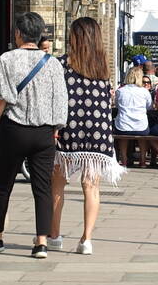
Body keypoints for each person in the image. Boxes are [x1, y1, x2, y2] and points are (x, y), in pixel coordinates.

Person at [0, 11, 68, 257]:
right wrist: (56, 128)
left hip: (14, 130)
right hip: (44, 134)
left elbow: (0, 98)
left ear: (18, 34)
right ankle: (41, 241)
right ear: (39, 35)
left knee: (3, 185)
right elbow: (61, 101)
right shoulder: (52, 63)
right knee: (42, 188)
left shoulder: (7, 59)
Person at [51, 16, 124, 254]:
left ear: (75, 37)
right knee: (91, 187)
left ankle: (54, 235)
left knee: (57, 185)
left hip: (68, 131)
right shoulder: (102, 70)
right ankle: (86, 240)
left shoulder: (61, 64)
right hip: (98, 134)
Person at [115, 66, 158, 165]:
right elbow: (149, 107)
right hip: (141, 126)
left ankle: (124, 159)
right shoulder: (144, 91)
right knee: (142, 135)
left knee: (123, 136)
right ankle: (143, 160)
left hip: (123, 125)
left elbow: (117, 105)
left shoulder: (120, 91)